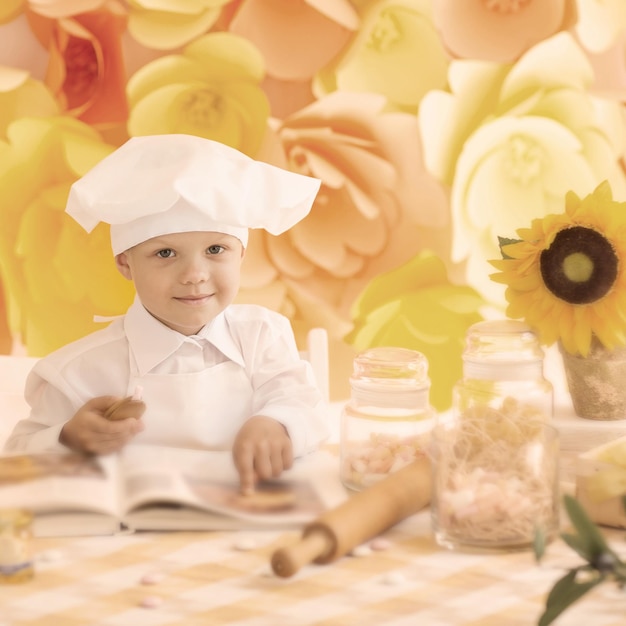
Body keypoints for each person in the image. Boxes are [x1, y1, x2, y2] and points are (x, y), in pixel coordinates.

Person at [4, 134, 330, 494]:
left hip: (247, 519)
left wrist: (279, 422)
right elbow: (15, 458)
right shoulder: (79, 371)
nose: (194, 274)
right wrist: (67, 437)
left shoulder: (262, 336)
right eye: (165, 254)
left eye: (215, 249)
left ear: (240, 255)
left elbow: (306, 405)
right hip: (129, 539)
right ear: (125, 263)